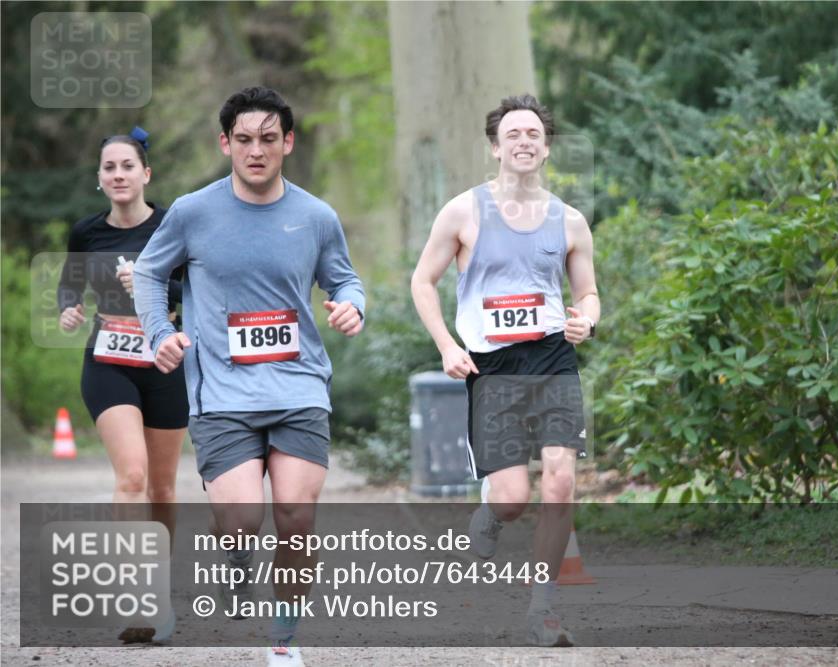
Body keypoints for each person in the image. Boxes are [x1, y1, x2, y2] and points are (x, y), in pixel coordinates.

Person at [133, 86, 365, 667]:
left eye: (268, 139)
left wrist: (351, 306)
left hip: (299, 385)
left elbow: (344, 280)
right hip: (223, 393)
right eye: (243, 140)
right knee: (240, 520)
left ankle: (284, 641)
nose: (255, 150)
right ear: (225, 144)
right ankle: (237, 564)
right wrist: (161, 335)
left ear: (287, 142)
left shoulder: (315, 216)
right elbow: (148, 275)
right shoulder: (193, 212)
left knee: (296, 514)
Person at [410, 94, 600, 647]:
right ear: (495, 147)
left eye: (534, 134)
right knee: (514, 497)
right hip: (491, 367)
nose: (524, 141)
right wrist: (447, 345)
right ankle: (493, 515)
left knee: (561, 482)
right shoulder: (463, 212)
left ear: (546, 148)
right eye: (513, 133)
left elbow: (588, 294)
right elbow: (423, 281)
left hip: (552, 358)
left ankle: (542, 609)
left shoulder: (570, 221)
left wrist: (586, 321)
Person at [57, 127, 187, 643]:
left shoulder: (174, 224)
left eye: (127, 166)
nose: (118, 175)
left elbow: (197, 284)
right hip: (108, 356)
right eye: (109, 168)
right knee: (131, 476)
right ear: (100, 179)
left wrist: (154, 284)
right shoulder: (86, 233)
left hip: (164, 356)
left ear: (145, 174)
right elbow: (70, 283)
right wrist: (69, 309)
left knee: (161, 486)